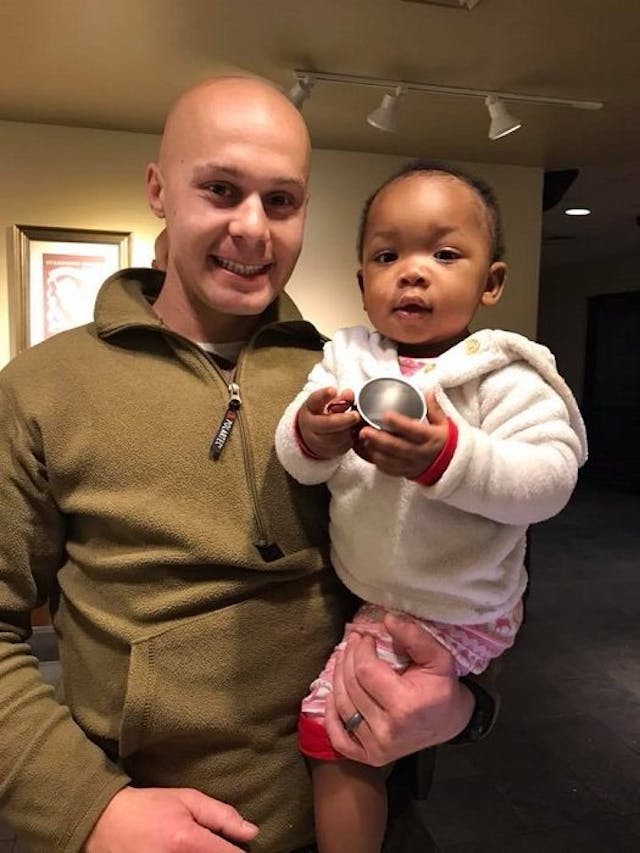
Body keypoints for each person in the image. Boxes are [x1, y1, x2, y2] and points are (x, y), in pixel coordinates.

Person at [0, 81, 485, 853]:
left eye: (282, 200)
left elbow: (468, 560)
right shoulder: (41, 388)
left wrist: (468, 704)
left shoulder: (356, 376)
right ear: (159, 190)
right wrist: (88, 810)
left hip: (363, 816)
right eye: (220, 190)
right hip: (144, 828)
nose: (252, 228)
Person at [275, 161, 588, 853]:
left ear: (492, 281)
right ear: (362, 280)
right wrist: (312, 432)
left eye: (444, 254)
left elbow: (551, 478)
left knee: (339, 731)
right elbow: (293, 455)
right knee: (361, 733)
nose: (412, 272)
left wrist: (451, 458)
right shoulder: (347, 359)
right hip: (382, 600)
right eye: (388, 255)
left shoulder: (504, 372)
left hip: (459, 605)